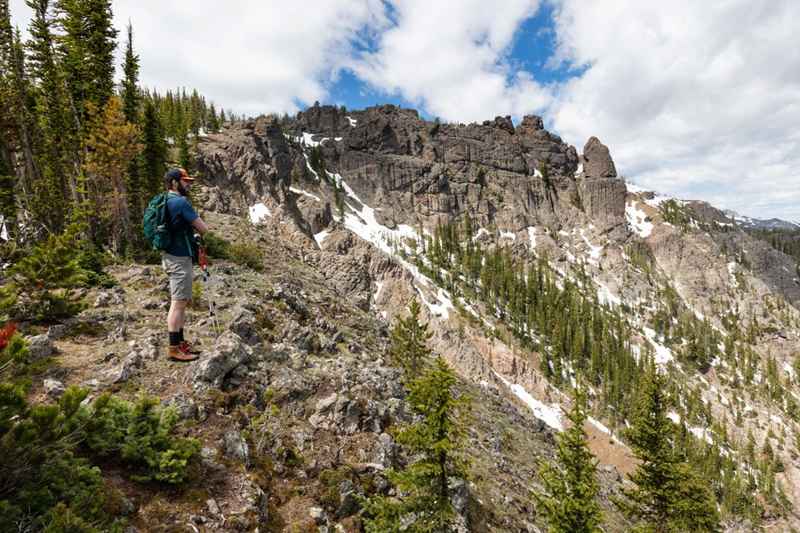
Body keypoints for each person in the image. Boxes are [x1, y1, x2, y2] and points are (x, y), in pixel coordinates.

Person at [161, 167, 208, 361]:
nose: (188, 184)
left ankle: (180, 344)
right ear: (174, 182)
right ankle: (174, 348)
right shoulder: (180, 202)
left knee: (181, 302)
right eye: (185, 181)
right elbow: (204, 228)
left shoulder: (165, 200)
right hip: (179, 257)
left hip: (171, 255)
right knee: (178, 303)